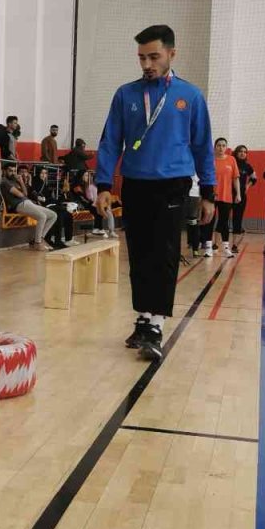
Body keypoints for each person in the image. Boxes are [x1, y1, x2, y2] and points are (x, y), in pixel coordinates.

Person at [94, 24, 214, 361]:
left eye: (154, 57)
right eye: (142, 58)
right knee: (140, 253)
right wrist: (104, 184)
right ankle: (143, 318)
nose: (147, 64)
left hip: (173, 184)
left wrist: (209, 192)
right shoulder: (125, 94)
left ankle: (157, 323)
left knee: (163, 253)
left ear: (172, 54)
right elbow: (109, 141)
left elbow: (203, 146)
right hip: (135, 184)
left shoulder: (189, 96)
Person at [1, 165, 57, 251]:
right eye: (10, 171)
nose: (12, 173)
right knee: (42, 216)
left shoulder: (15, 181)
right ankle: (37, 243)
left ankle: (40, 238)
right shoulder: (5, 182)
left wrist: (21, 181)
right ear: (4, 171)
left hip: (27, 202)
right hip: (19, 204)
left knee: (53, 215)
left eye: (14, 171)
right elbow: (20, 195)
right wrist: (21, 190)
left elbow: (26, 193)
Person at [204, 139, 240, 258]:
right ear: (215, 147)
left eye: (223, 145)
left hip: (226, 196)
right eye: (218, 145)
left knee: (224, 222)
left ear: (226, 147)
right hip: (211, 196)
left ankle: (225, 248)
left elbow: (235, 178)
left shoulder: (231, 159)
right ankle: (208, 248)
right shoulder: (210, 160)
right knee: (210, 221)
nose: (221, 148)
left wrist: (238, 194)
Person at [231, 144, 256, 233]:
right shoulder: (231, 162)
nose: (243, 153)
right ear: (236, 152)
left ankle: (236, 231)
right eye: (240, 151)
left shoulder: (247, 166)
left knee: (238, 215)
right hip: (228, 193)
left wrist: (247, 186)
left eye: (245, 152)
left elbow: (254, 178)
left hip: (241, 194)